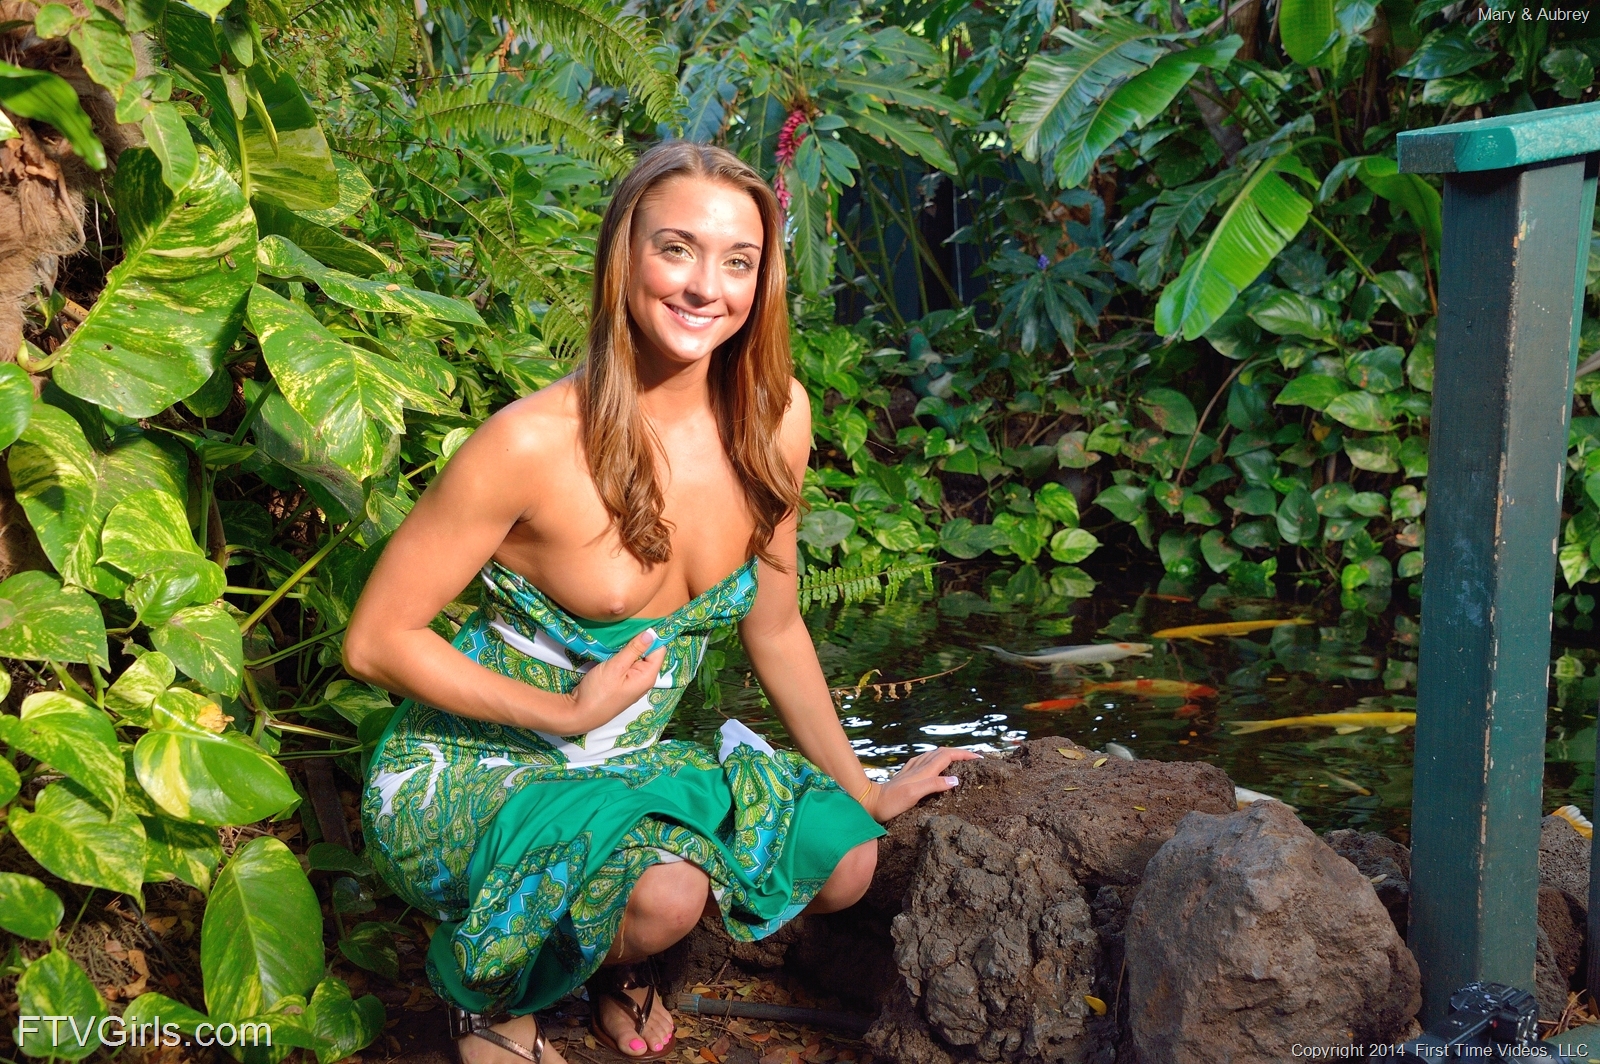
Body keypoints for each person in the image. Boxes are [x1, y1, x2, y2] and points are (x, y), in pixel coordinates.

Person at [344, 140, 977, 1064]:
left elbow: (774, 622)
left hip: (623, 767)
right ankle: (487, 992)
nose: (705, 287)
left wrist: (865, 787)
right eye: (676, 249)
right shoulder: (529, 443)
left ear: (762, 281)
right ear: (623, 255)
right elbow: (375, 640)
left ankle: (605, 952)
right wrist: (564, 710)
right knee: (671, 894)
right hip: (474, 771)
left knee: (845, 858)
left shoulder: (775, 418)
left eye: (738, 261)